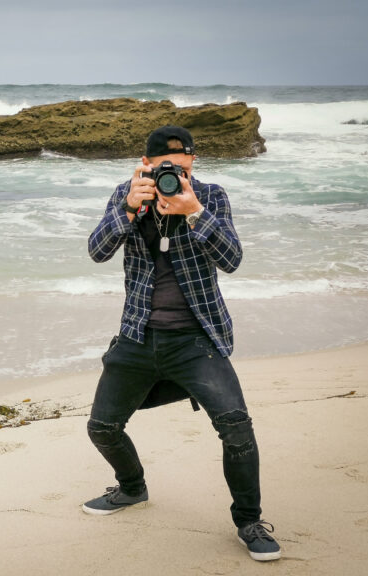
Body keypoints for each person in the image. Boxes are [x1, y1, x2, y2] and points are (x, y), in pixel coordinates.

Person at [83, 125, 281, 562]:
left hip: (196, 339)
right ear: (146, 162)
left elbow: (232, 259)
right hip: (137, 335)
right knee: (102, 428)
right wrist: (128, 211)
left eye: (181, 160)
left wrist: (194, 211)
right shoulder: (126, 193)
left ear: (193, 161)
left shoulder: (212, 196)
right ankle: (132, 487)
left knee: (236, 427)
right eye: (164, 162)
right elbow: (97, 251)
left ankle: (249, 521)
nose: (173, 167)